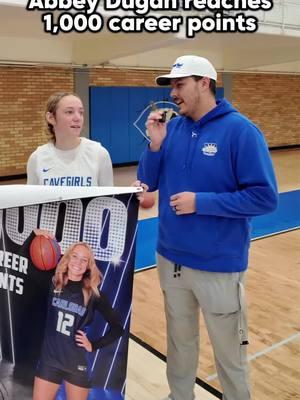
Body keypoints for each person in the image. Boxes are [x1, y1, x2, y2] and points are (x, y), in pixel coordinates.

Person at [137, 55, 278, 400]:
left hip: (218, 265)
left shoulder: (241, 131)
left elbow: (264, 198)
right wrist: (155, 144)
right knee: (180, 346)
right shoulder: (173, 129)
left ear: (204, 84)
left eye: (179, 84)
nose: (173, 93)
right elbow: (147, 182)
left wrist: (202, 202)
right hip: (171, 260)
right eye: (171, 85)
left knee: (230, 354)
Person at [33, 241, 124, 400]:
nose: (78, 262)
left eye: (84, 260)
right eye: (75, 256)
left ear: (89, 266)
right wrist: (35, 236)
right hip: (50, 361)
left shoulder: (93, 294)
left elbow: (118, 328)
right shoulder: (53, 282)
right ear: (67, 258)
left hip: (76, 364)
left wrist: (93, 345)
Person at [27, 92, 113, 186]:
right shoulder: (37, 158)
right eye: (69, 112)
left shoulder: (99, 154)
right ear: (51, 118)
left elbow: (108, 199)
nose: (78, 118)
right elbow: (32, 199)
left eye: (81, 112)